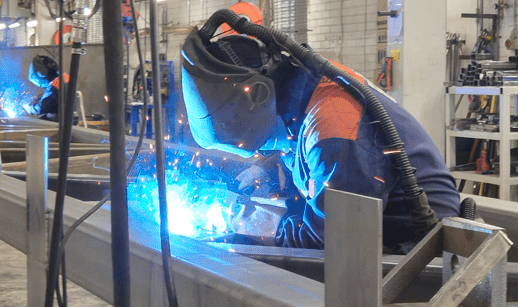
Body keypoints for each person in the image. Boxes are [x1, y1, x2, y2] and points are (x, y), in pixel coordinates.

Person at [180, 19, 460, 252]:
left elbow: (329, 246)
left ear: (256, 96)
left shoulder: (333, 128)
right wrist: (266, 170)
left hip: (414, 254)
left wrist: (258, 223)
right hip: (371, 236)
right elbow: (304, 155)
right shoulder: (301, 96)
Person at [25, 55, 62, 121]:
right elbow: (48, 95)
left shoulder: (55, 88)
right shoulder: (58, 81)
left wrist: (28, 108)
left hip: (58, 124)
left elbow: (42, 107)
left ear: (41, 74)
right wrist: (37, 98)